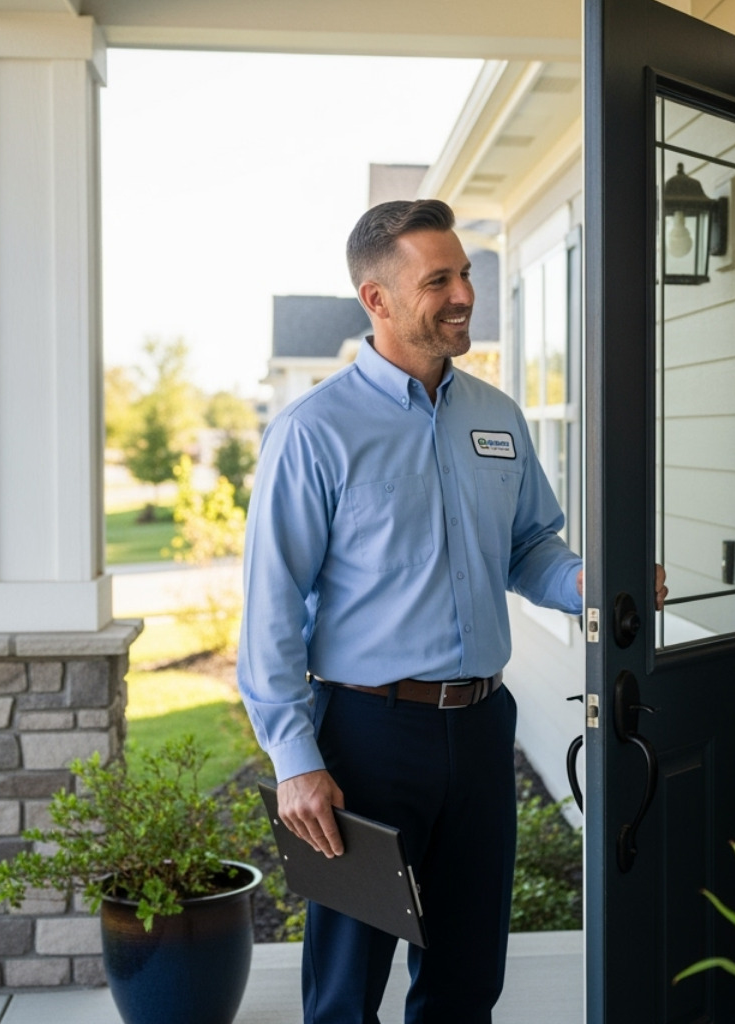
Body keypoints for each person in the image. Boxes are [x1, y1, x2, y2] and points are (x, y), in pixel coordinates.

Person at [237, 198, 665, 1024]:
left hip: (477, 732)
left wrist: (584, 581)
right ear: (379, 299)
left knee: (467, 981)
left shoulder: (496, 418)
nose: (465, 292)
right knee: (346, 993)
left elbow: (530, 546)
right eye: (440, 279)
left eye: (465, 273)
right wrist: (294, 757)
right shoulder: (312, 433)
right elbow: (271, 611)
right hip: (365, 740)